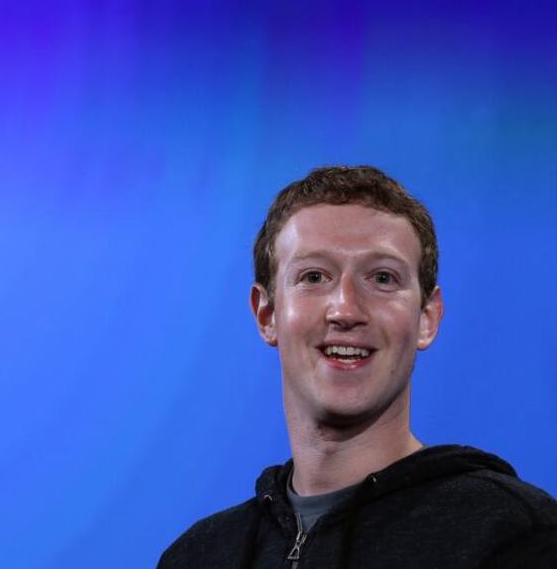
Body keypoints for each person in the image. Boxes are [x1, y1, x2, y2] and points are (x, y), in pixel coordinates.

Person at [157, 166, 557, 568]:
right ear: (266, 315)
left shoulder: (514, 535)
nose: (346, 309)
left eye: (382, 278)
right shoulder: (198, 556)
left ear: (427, 318)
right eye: (314, 276)